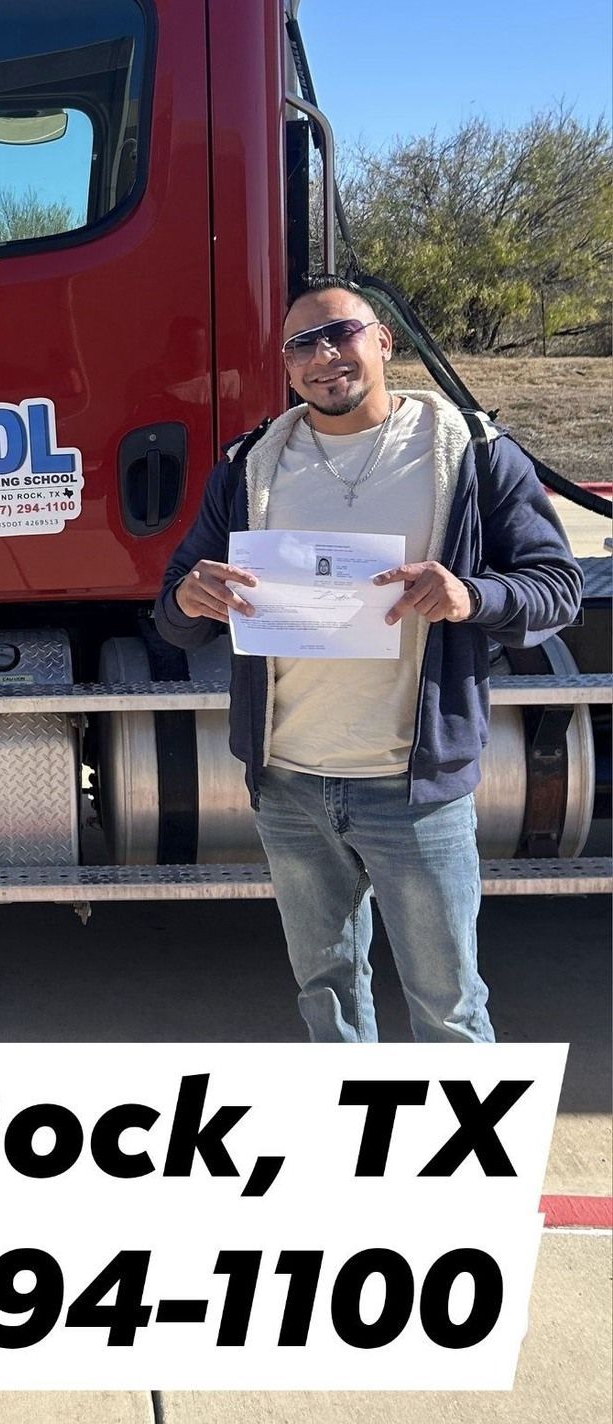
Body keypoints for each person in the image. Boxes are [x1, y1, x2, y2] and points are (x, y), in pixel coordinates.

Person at [154, 277, 582, 1043]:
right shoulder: (252, 463)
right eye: (301, 345)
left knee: (447, 1006)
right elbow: (173, 610)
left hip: (409, 789)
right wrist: (189, 599)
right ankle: (357, 1149)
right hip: (287, 784)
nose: (323, 356)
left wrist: (468, 597)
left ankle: (456, 1159)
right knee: (326, 995)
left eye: (340, 334)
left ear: (383, 342)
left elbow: (557, 588)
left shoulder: (472, 452)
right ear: (285, 369)